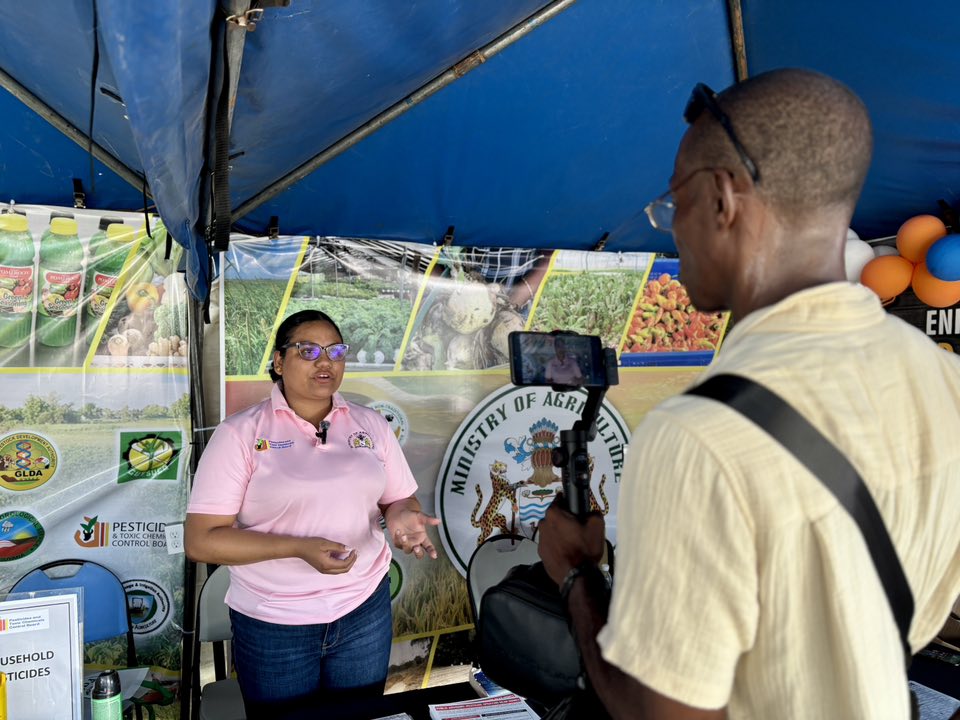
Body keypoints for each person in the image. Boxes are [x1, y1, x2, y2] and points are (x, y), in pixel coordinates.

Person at [538, 68, 960, 720]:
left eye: (674, 204)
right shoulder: (941, 378)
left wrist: (576, 575)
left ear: (722, 199)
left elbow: (659, 712)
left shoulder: (697, 438)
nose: (672, 230)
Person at [185, 309, 440, 716]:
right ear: (279, 362)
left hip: (363, 612)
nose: (326, 362)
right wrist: (298, 548)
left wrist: (401, 517)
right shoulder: (240, 434)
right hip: (275, 622)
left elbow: (399, 500)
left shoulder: (370, 424)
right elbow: (201, 540)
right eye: (308, 350)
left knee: (361, 715)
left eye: (336, 351)